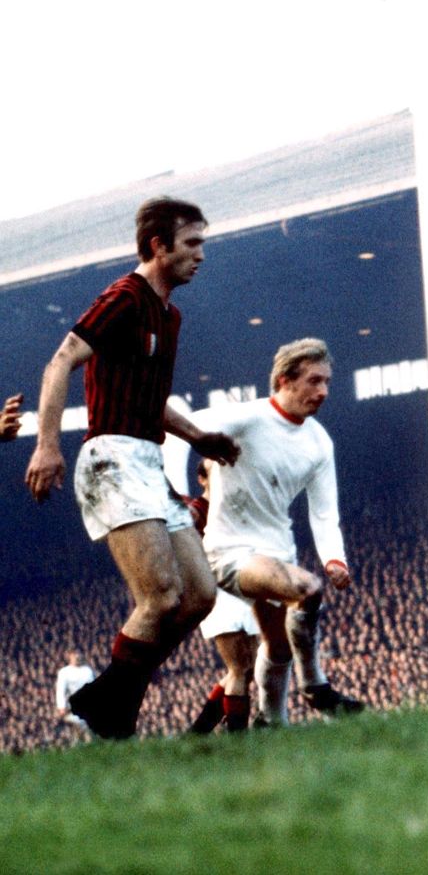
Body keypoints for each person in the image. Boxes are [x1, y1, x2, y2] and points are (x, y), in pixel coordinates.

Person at [25, 197, 240, 739]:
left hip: (147, 459)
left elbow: (153, 398)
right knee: (161, 596)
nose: (201, 255)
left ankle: (106, 700)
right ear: (157, 246)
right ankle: (113, 714)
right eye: (192, 244)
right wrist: (47, 445)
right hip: (111, 459)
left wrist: (199, 437)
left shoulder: (169, 316)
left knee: (199, 596)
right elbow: (61, 361)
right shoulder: (123, 297)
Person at [192, 337, 362, 723]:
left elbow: (323, 512)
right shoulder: (247, 418)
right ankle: (315, 686)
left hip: (276, 551)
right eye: (315, 381)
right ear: (285, 380)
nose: (324, 392)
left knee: (279, 647)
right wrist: (196, 456)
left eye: (327, 382)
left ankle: (271, 721)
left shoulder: (319, 441)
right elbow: (184, 427)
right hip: (230, 551)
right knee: (307, 590)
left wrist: (334, 559)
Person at [180, 459, 262, 734]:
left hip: (241, 589)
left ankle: (201, 730)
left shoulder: (232, 507)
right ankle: (238, 734)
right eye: (214, 472)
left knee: (248, 668)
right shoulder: (197, 510)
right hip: (220, 592)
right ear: (202, 479)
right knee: (238, 667)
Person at [55, 650, 95, 740]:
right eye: (74, 655)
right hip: (72, 707)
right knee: (79, 726)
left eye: (78, 654)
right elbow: (60, 690)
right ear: (70, 656)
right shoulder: (64, 672)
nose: (77, 657)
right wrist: (61, 707)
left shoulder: (87, 671)